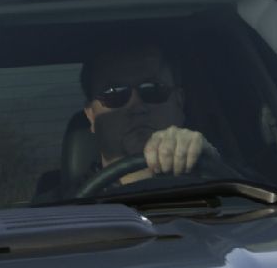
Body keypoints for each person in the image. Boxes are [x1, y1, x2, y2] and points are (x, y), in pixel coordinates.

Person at [79, 43, 210, 180]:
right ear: (91, 116)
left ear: (179, 102)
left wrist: (207, 161)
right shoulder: (68, 200)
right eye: (115, 95)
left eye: (153, 89)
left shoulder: (217, 185)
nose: (137, 107)